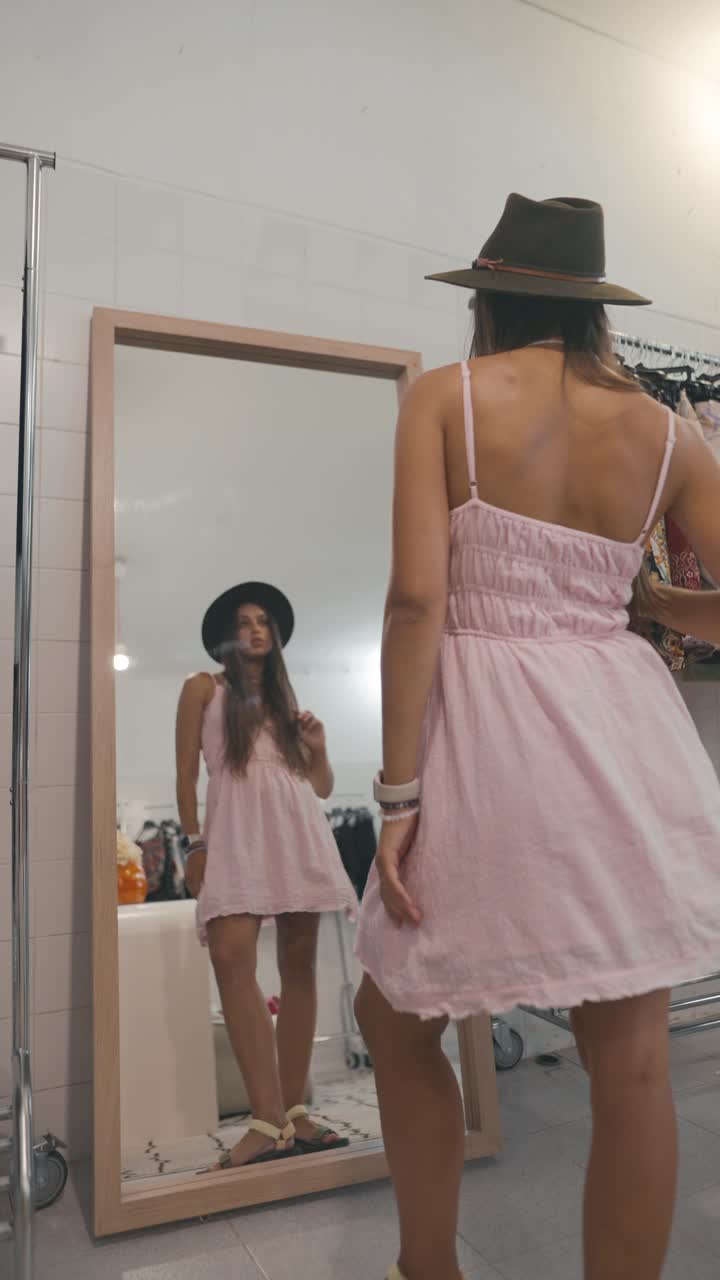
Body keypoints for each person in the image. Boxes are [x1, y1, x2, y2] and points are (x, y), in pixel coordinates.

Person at [353, 194, 720, 1280]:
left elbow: (418, 602)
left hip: (484, 736)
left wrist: (399, 794)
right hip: (621, 731)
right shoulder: (670, 431)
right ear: (596, 307)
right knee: (632, 1059)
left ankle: (430, 1267)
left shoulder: (444, 400)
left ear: (491, 296)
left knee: (395, 1011)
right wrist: (643, 601)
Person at [175, 581, 358, 1168]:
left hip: (297, 831)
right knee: (231, 958)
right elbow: (186, 777)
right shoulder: (203, 688)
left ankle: (293, 1116)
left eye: (264, 622)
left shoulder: (286, 704)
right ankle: (266, 1116)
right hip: (233, 838)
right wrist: (194, 846)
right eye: (245, 621)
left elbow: (320, 788)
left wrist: (319, 748)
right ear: (228, 635)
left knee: (299, 963)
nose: (256, 629)